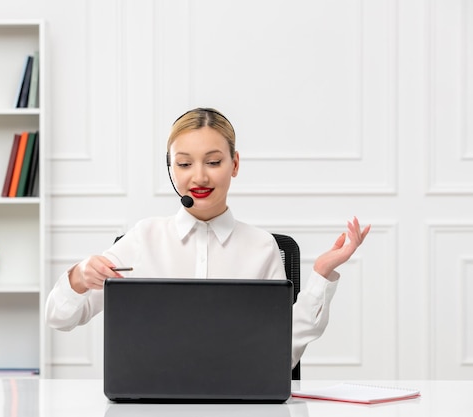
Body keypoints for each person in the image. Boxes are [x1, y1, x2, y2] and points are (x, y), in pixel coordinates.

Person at [45, 107, 371, 368]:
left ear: (235, 164)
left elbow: (280, 355)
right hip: (152, 403)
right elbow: (60, 318)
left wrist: (321, 275)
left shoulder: (261, 247)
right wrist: (78, 277)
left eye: (213, 162)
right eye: (184, 163)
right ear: (170, 168)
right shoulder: (144, 237)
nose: (199, 176)